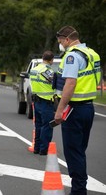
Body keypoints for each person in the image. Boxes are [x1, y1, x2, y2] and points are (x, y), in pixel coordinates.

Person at [54, 26, 101, 195]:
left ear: (67, 39)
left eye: (60, 40)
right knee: (79, 151)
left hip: (74, 109)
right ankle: (79, 188)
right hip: (88, 108)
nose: (59, 44)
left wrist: (60, 110)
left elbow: (70, 83)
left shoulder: (72, 56)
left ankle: (78, 191)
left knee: (73, 153)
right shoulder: (92, 53)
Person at [29, 50, 55, 155]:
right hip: (46, 101)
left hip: (36, 101)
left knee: (38, 125)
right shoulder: (47, 71)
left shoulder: (34, 70)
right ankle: (43, 149)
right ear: (51, 60)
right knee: (47, 126)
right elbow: (53, 82)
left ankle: (36, 148)